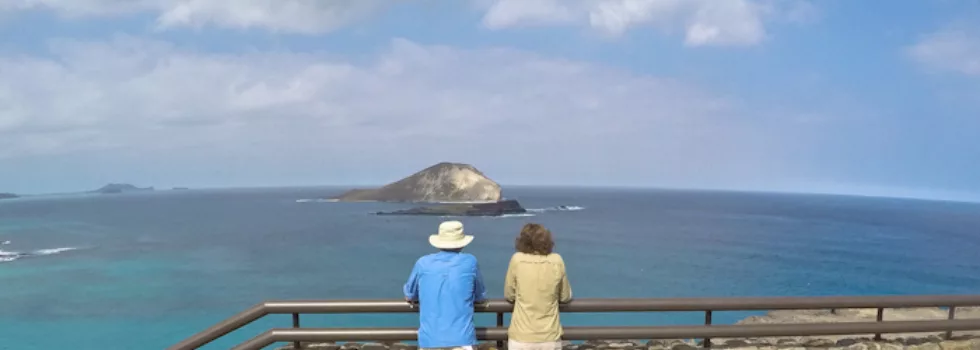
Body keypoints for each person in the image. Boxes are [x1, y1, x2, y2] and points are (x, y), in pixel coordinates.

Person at [404, 220, 488, 350]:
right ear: (462, 243)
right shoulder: (470, 262)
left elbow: (410, 295)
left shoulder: (423, 263)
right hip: (462, 338)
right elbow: (480, 295)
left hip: (430, 339)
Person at [504, 223, 573, 350]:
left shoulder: (517, 260)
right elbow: (565, 296)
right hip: (549, 336)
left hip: (521, 335)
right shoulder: (556, 260)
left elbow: (509, 294)